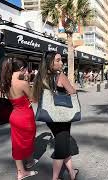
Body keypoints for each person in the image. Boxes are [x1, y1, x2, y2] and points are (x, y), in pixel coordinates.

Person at [32, 51, 78, 180]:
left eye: (61, 60)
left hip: (49, 116)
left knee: (62, 141)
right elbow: (72, 92)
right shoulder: (60, 76)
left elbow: (35, 98)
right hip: (62, 116)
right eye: (57, 60)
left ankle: (72, 172)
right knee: (61, 146)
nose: (61, 62)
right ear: (50, 62)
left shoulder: (40, 77)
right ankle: (55, 178)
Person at [0, 58, 38, 180]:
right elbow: (34, 99)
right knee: (28, 140)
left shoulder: (6, 82)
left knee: (17, 143)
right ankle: (22, 172)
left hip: (14, 115)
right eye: (26, 70)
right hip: (25, 116)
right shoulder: (22, 83)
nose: (26, 72)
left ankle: (25, 165)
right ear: (22, 69)